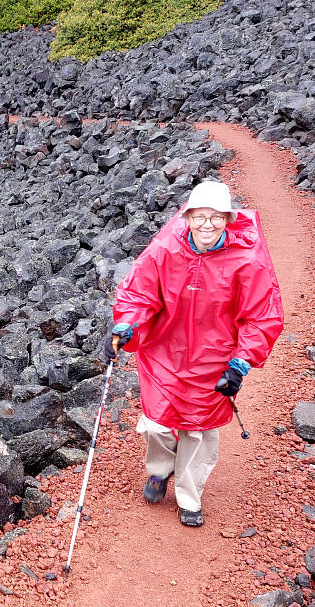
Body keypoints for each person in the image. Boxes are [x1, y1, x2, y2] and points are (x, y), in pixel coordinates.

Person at [102, 180, 284, 526]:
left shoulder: (247, 260)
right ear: (187, 217)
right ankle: (159, 470)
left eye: (216, 217)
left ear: (228, 219)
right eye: (200, 216)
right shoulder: (165, 249)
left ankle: (189, 495)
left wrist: (240, 363)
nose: (207, 224)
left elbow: (262, 316)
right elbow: (139, 292)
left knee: (198, 429)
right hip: (163, 349)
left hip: (215, 356)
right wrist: (126, 324)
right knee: (156, 422)